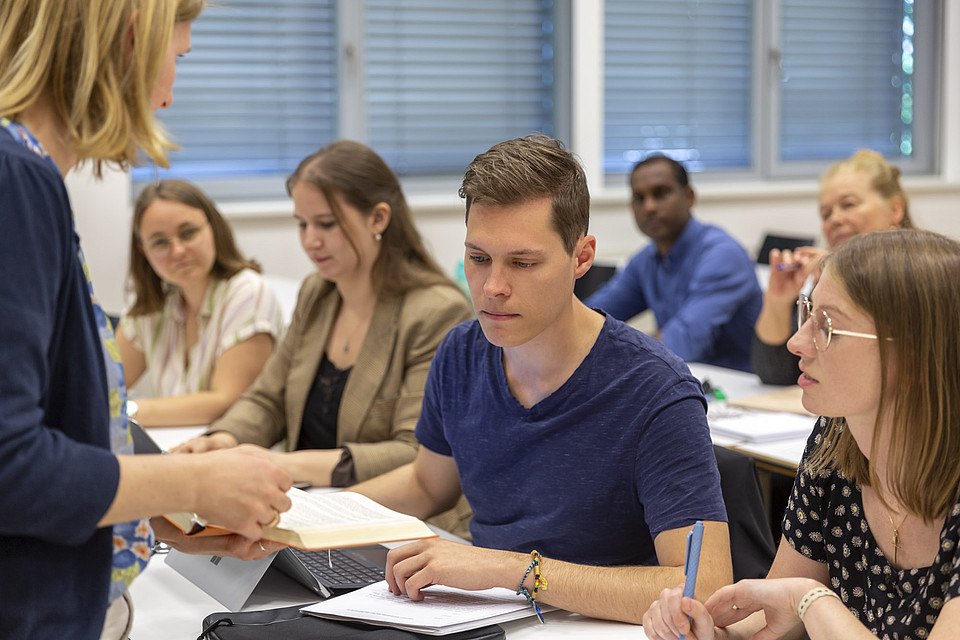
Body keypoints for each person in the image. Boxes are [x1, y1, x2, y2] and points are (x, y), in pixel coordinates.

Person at [0, 2, 295, 638]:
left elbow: (67, 422)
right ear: (133, 38)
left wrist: (156, 508)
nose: (168, 95)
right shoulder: (16, 180)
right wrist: (189, 480)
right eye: (178, 58)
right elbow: (10, 464)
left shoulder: (28, 177)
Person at [349, 135, 733, 624]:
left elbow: (704, 587)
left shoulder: (655, 390)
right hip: (483, 619)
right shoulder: (461, 353)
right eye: (479, 258)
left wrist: (510, 570)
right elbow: (428, 484)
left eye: (523, 263)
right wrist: (316, 513)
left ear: (582, 258)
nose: (493, 288)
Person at [642, 229, 960, 639]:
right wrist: (710, 632)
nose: (797, 342)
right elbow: (774, 618)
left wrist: (810, 600)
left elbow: (796, 599)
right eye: (807, 313)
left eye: (826, 326)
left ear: (914, 355)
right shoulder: (834, 441)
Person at [175, 141, 473, 528]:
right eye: (302, 223)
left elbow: (415, 455)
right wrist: (224, 440)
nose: (310, 240)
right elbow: (269, 398)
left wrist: (281, 464)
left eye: (326, 224)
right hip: (307, 514)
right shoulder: (318, 293)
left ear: (378, 219)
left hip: (392, 526)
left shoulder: (435, 312)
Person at [116, 180, 284, 427]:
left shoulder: (247, 292)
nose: (178, 251)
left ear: (213, 228)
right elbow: (103, 388)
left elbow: (227, 402)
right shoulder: (151, 304)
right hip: (177, 450)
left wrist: (126, 409)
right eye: (160, 242)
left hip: (236, 454)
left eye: (188, 233)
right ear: (144, 251)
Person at [585, 155, 761, 372]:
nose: (649, 206)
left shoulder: (723, 254)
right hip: (683, 379)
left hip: (740, 389)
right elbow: (590, 318)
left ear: (689, 197)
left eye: (660, 194)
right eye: (639, 198)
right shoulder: (645, 260)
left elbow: (682, 343)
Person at [752, 150, 914, 384]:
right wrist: (778, 301)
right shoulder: (823, 281)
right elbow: (775, 372)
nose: (834, 220)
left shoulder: (926, 273)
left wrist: (839, 270)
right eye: (826, 213)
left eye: (848, 205)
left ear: (895, 209)